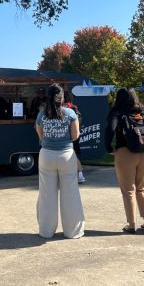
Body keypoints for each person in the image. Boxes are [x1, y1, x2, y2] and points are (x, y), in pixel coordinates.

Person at [35, 83, 85, 239]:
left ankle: (46, 231)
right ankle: (73, 231)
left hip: (46, 156)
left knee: (46, 195)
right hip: (66, 156)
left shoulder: (42, 114)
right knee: (70, 194)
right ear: (62, 97)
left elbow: (41, 135)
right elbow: (75, 136)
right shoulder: (70, 113)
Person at [105, 88, 144, 234]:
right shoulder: (143, 112)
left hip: (126, 152)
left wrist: (109, 148)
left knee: (128, 190)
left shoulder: (117, 112)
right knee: (141, 187)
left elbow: (109, 130)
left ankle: (131, 224)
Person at [63, 95, 86, 184]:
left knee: (72, 156)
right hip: (75, 135)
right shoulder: (74, 107)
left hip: (68, 136)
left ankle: (80, 175)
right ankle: (79, 174)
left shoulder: (66, 108)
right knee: (73, 155)